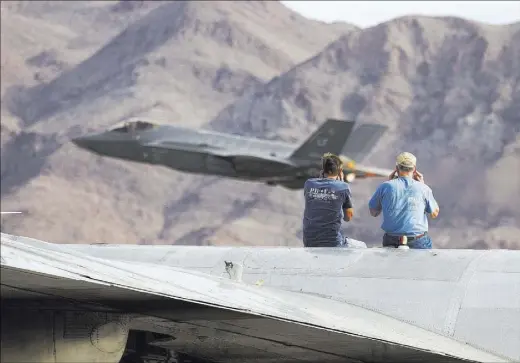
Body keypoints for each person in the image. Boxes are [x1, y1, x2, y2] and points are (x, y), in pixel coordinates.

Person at [368, 152, 440, 249]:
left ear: (397, 169)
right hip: (417, 240)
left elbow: (373, 212)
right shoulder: (423, 188)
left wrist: (389, 187)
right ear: (414, 169)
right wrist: (423, 185)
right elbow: (434, 213)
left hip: (391, 240)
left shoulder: (385, 186)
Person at [302, 153, 367, 248]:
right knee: (362, 246)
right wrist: (340, 184)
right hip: (333, 243)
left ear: (323, 170)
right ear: (341, 171)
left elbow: (318, 203)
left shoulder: (309, 184)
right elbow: (348, 217)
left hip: (309, 242)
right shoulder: (343, 187)